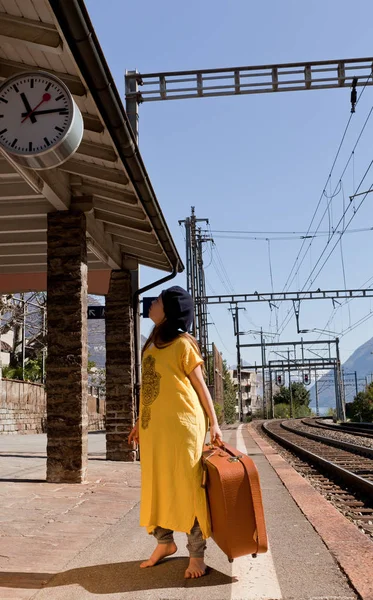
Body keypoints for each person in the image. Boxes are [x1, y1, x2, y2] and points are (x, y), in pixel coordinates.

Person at [128, 285, 223, 579]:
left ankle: (196, 555)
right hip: (154, 429)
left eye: (156, 301)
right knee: (156, 486)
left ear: (168, 310)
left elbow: (200, 386)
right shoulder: (150, 345)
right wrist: (138, 422)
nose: (151, 304)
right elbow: (150, 389)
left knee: (187, 487)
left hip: (183, 428)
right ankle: (165, 543)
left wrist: (214, 422)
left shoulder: (184, 344)